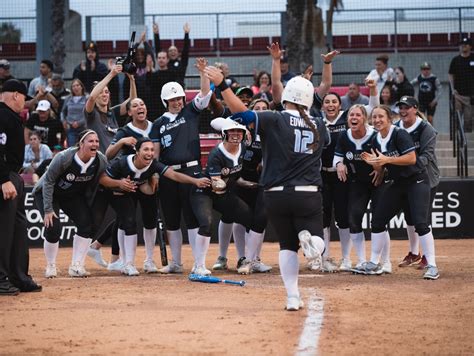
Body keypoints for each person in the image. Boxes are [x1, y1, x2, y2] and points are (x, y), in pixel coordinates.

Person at [205, 66, 328, 311]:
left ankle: (293, 297)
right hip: (308, 192)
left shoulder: (275, 118)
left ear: (286, 97)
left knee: (286, 246)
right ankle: (312, 242)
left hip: (275, 193)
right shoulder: (319, 125)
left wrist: (222, 85)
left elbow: (241, 112)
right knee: (317, 239)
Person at [100, 138, 210, 276]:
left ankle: (145, 261)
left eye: (152, 150)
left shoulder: (153, 164)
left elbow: (173, 175)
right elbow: (103, 179)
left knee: (145, 220)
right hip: (116, 191)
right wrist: (119, 183)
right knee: (129, 222)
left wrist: (195, 181)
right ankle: (127, 264)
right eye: (146, 149)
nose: (150, 153)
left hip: (135, 188)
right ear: (137, 151)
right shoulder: (121, 163)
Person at [32, 130, 127, 278]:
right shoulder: (64, 157)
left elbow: (105, 178)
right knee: (53, 227)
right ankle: (50, 265)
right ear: (81, 144)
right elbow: (48, 182)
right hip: (48, 192)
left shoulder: (100, 160)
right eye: (91, 141)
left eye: (96, 141)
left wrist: (118, 186)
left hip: (71, 195)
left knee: (86, 224)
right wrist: (48, 209)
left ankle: (76, 266)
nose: (95, 144)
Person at [360, 105, 439, 280]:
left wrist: (386, 159)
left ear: (389, 119)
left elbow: (412, 158)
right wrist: (375, 166)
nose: (377, 120)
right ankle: (373, 262)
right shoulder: (375, 140)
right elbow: (382, 165)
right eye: (374, 117)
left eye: (381, 117)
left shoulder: (399, 134)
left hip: (417, 180)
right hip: (398, 183)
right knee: (378, 220)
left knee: (420, 223)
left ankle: (432, 266)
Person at [149, 58, 212, 274]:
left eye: (179, 98)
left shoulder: (190, 112)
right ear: (165, 101)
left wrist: (203, 73)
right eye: (173, 99)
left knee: (193, 219)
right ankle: (175, 263)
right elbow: (155, 152)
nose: (177, 102)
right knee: (172, 220)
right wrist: (155, 174)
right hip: (168, 174)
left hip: (192, 170)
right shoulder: (158, 124)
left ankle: (199, 263)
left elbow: (204, 97)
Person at [317, 79, 378, 273]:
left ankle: (346, 259)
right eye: (327, 102)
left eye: (334, 102)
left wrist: (373, 89)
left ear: (340, 105)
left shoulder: (348, 118)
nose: (331, 105)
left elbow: (373, 107)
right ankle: (323, 257)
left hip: (343, 178)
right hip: (321, 176)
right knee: (323, 219)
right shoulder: (317, 122)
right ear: (323, 106)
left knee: (343, 218)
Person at [189, 119, 253, 276]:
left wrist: (247, 183)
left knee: (248, 216)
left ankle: (246, 259)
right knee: (206, 223)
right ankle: (199, 265)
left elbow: (235, 175)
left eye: (239, 132)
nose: (236, 135)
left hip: (223, 193)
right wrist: (227, 183)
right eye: (232, 132)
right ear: (225, 134)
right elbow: (216, 185)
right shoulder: (216, 154)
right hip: (204, 192)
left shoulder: (243, 148)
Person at [0, 79, 42, 295]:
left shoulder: (10, 116)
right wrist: (3, 179)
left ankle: (18, 276)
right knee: (4, 230)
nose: (24, 103)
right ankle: (1, 278)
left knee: (17, 228)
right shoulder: (1, 114)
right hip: (4, 178)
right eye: (24, 98)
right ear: (16, 95)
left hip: (12, 176)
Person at [394, 96, 439, 273]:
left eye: (406, 107)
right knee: (409, 217)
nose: (403, 111)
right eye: (401, 108)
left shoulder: (426, 129)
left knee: (423, 219)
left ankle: (428, 257)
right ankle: (414, 253)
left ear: (415, 108)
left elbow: (426, 157)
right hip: (406, 178)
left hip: (427, 178)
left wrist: (402, 164)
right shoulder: (396, 127)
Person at [333, 105, 378, 271]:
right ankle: (361, 261)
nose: (354, 117)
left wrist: (380, 168)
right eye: (351, 114)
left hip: (378, 182)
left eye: (358, 115)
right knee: (354, 218)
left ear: (364, 118)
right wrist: (339, 164)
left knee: (379, 221)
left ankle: (384, 261)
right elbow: (337, 157)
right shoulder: (344, 136)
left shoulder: (375, 135)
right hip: (358, 183)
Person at [84, 63, 137, 154]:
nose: (104, 95)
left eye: (106, 92)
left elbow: (133, 101)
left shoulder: (112, 112)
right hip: (102, 163)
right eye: (100, 92)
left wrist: (131, 79)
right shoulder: (91, 113)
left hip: (117, 162)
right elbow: (91, 97)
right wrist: (112, 74)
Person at [449, 36, 474, 132]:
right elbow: (451, 74)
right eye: (461, 45)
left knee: (468, 119)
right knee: (457, 116)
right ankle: (457, 136)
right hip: (458, 94)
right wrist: (453, 89)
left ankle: (467, 139)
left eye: (465, 45)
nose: (463, 47)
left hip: (470, 96)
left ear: (470, 46)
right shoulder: (455, 60)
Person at [153, 22, 190, 86]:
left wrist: (186, 34)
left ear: (178, 53)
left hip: (179, 89)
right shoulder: (165, 63)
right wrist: (156, 34)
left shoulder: (182, 63)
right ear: (167, 54)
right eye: (170, 51)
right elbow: (158, 51)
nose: (173, 52)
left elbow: (186, 50)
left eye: (174, 50)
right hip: (167, 89)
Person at [61, 79, 88, 147]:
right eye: (73, 86)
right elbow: (62, 112)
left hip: (83, 127)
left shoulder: (87, 98)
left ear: (81, 87)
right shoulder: (68, 99)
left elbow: (89, 113)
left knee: (84, 147)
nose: (75, 87)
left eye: (77, 85)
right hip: (71, 128)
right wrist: (63, 121)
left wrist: (79, 122)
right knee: (72, 148)